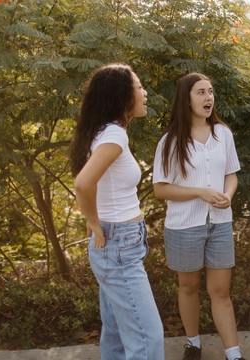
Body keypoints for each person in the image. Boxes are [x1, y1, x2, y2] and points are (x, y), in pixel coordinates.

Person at [70, 63, 164, 360]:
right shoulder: (113, 136)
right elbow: (84, 182)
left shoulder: (102, 131)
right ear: (122, 96)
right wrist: (93, 221)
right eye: (138, 87)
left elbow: (95, 183)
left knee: (117, 336)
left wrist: (97, 220)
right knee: (147, 339)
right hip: (118, 245)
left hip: (117, 244)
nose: (144, 92)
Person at [152, 73, 245, 360]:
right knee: (188, 287)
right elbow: (160, 189)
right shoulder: (169, 142)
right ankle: (193, 343)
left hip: (220, 223)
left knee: (220, 291)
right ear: (186, 98)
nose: (208, 98)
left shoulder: (223, 134)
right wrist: (200, 192)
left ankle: (234, 353)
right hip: (184, 226)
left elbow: (231, 174)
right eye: (201, 92)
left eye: (211, 91)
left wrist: (227, 195)